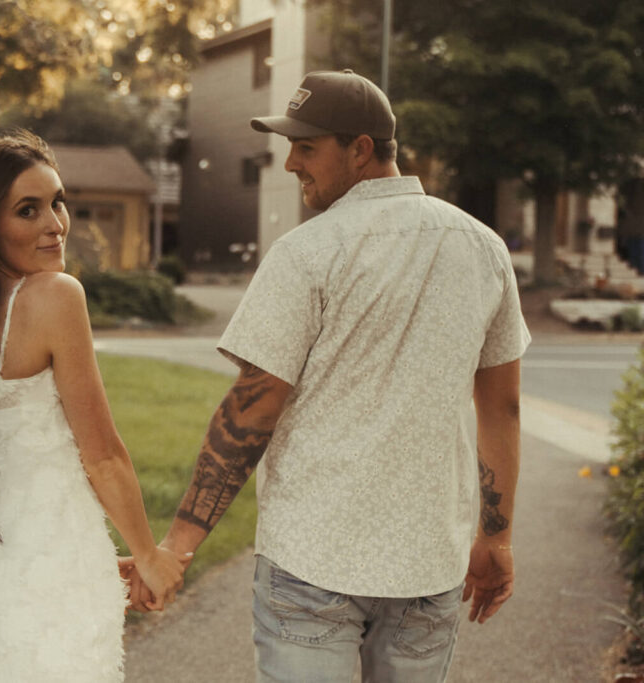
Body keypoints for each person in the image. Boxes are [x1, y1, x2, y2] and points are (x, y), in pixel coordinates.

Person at [127, 70, 531, 682]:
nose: (291, 163)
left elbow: (251, 413)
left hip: (311, 563)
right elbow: (502, 409)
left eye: (307, 147)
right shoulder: (482, 249)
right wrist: (495, 540)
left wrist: (177, 549)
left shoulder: (306, 253)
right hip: (427, 565)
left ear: (361, 149)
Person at [0, 130, 188, 682]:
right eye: (27, 211)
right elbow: (102, 454)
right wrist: (149, 556)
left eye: (57, 202)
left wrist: (102, 560)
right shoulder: (56, 295)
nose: (54, 224)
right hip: (51, 582)